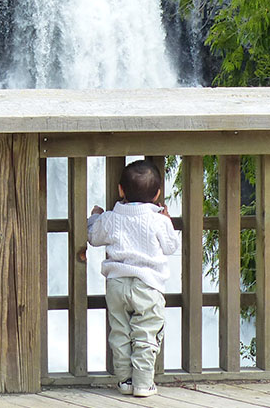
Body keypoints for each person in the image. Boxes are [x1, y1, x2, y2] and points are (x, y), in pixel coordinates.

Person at [87, 159, 181, 398]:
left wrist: (94, 218)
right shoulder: (158, 220)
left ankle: (124, 380)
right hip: (148, 286)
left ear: (120, 190)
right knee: (146, 333)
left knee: (119, 331)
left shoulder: (110, 217)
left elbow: (94, 238)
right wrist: (168, 220)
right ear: (158, 193)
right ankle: (142, 382)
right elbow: (171, 246)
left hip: (117, 284)